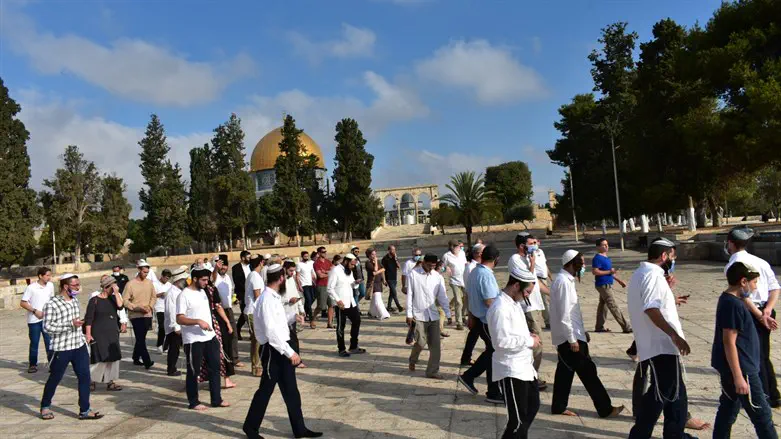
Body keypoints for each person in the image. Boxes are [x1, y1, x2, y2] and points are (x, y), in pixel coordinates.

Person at [243, 264, 322, 439]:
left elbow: (277, 322)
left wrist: (292, 317)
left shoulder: (273, 297)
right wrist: (290, 353)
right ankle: (250, 428)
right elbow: (271, 333)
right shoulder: (266, 300)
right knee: (265, 391)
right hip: (274, 352)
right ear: (280, 279)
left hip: (280, 348)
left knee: (291, 391)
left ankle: (299, 429)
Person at [627, 238, 694, 439]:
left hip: (656, 345)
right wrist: (674, 336)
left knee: (676, 394)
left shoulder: (643, 273)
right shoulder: (652, 276)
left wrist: (670, 296)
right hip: (661, 345)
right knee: (660, 394)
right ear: (664, 256)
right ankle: (639, 435)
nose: (673, 261)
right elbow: (651, 308)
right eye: (672, 256)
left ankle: (676, 434)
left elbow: (652, 302)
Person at [549, 250, 624, 418]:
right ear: (570, 263)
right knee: (588, 372)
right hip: (570, 338)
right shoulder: (563, 282)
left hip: (573, 335)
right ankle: (605, 408)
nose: (583, 267)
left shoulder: (566, 281)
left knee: (565, 372)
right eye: (580, 263)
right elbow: (564, 314)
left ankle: (558, 406)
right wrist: (572, 338)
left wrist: (581, 332)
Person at [712, 262, 778, 439]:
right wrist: (739, 377)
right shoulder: (733, 305)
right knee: (762, 415)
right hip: (743, 369)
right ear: (743, 281)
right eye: (754, 282)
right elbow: (729, 342)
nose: (755, 287)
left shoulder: (732, 300)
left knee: (728, 409)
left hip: (741, 367)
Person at [724, 226, 781, 408]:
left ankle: (762, 395)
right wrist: (767, 310)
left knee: (753, 356)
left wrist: (758, 315)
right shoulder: (761, 262)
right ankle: (773, 394)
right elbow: (775, 288)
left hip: (750, 313)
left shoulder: (733, 265)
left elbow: (741, 293)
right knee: (764, 354)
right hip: (765, 310)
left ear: (730, 243)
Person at [487, 266, 542, 438]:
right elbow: (501, 341)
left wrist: (527, 335)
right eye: (527, 291)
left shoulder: (515, 303)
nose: (528, 295)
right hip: (511, 369)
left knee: (533, 406)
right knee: (517, 421)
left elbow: (513, 331)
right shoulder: (500, 308)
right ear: (516, 285)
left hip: (525, 367)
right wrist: (529, 341)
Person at [39, 273, 103, 420]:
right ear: (65, 286)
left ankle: (85, 409)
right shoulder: (52, 303)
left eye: (78, 285)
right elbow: (47, 327)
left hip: (78, 345)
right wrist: (69, 325)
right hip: (62, 347)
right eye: (75, 285)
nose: (77, 288)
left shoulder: (74, 301)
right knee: (55, 377)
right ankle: (45, 405)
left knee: (85, 377)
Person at [176, 267, 230, 411]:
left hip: (210, 336)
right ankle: (193, 401)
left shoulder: (204, 291)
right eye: (204, 280)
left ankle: (216, 399)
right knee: (194, 370)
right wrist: (198, 321)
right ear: (195, 279)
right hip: (193, 340)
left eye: (207, 279)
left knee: (215, 367)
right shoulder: (184, 295)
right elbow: (180, 318)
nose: (207, 282)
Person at [458, 244, 504, 404]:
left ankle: (489, 388)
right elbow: (490, 300)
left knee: (492, 352)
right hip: (485, 319)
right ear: (496, 259)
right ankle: (475, 379)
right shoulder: (485, 275)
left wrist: (470, 315)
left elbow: (470, 296)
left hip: (478, 318)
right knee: (493, 351)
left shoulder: (475, 271)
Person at [507, 234, 546, 389]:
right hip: (527, 306)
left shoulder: (529, 258)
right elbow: (527, 280)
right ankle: (532, 377)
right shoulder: (515, 259)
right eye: (531, 243)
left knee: (535, 344)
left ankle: (530, 375)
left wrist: (552, 293)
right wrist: (532, 264)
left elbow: (536, 282)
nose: (535, 246)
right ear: (522, 246)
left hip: (536, 305)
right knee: (537, 344)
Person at [407, 254, 451, 379]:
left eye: (433, 265)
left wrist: (448, 314)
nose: (431, 267)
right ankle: (413, 359)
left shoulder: (437, 277)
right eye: (429, 265)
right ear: (424, 262)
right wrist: (409, 314)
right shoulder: (414, 274)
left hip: (433, 315)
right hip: (418, 314)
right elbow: (410, 295)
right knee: (421, 342)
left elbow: (442, 296)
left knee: (435, 345)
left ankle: (432, 371)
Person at [85, 275, 124, 392]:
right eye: (113, 286)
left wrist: (117, 293)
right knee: (98, 357)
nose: (115, 288)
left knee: (112, 357)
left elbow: (121, 306)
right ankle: (91, 380)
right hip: (98, 332)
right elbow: (89, 319)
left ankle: (110, 381)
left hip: (112, 331)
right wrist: (88, 334)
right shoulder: (94, 300)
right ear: (106, 287)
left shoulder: (113, 298)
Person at [202, 260, 236, 390]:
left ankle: (226, 378)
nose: (206, 280)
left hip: (217, 321)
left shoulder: (211, 288)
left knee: (224, 348)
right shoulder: (194, 292)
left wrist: (227, 322)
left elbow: (218, 306)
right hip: (205, 323)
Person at [328, 253, 366, 357]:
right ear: (346, 261)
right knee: (341, 326)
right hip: (341, 304)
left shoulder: (349, 271)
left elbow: (351, 284)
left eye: (354, 265)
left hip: (351, 302)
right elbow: (330, 288)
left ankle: (353, 346)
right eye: (352, 265)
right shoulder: (335, 270)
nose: (353, 267)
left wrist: (356, 282)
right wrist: (338, 300)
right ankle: (341, 349)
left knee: (357, 320)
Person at [592, 238, 632, 333]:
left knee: (603, 306)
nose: (606, 246)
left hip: (607, 284)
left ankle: (599, 327)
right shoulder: (597, 258)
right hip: (603, 285)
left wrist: (619, 281)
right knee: (613, 305)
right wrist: (609, 271)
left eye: (607, 244)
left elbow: (610, 273)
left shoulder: (606, 258)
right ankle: (626, 327)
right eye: (604, 245)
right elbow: (595, 271)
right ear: (598, 247)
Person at [123, 260, 157, 370]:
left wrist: (150, 307)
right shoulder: (130, 284)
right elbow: (125, 300)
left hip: (147, 314)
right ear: (139, 270)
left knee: (141, 337)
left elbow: (154, 297)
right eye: (144, 272)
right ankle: (147, 361)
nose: (146, 274)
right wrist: (136, 308)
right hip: (135, 315)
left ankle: (135, 357)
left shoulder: (149, 283)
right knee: (141, 339)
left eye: (147, 272)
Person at [20, 267, 55, 373]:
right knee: (34, 342)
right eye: (47, 275)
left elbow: (52, 300)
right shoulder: (31, 288)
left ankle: (52, 364)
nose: (49, 277)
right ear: (40, 276)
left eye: (50, 275)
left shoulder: (50, 286)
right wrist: (35, 311)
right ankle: (33, 364)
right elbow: (23, 302)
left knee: (49, 342)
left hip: (47, 319)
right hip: (34, 320)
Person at [460, 243, 484, 366]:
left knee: (474, 333)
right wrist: (470, 313)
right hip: (476, 306)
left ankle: (466, 357)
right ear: (478, 253)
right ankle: (466, 357)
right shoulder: (470, 268)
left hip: (479, 306)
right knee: (476, 333)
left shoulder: (480, 267)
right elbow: (468, 290)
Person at [214, 256, 240, 367]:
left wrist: (235, 300)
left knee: (233, 334)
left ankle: (234, 358)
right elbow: (212, 278)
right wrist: (215, 269)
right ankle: (224, 360)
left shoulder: (228, 277)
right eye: (221, 265)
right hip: (218, 310)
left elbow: (230, 292)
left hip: (228, 309)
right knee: (222, 336)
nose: (223, 267)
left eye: (225, 265)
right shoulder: (215, 277)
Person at [164, 266, 189, 377]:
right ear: (179, 280)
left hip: (180, 325)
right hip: (174, 327)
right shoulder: (171, 293)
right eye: (184, 280)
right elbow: (171, 311)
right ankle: (171, 369)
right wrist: (176, 326)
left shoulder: (179, 291)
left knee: (177, 348)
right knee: (174, 349)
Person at [283, 261, 307, 367]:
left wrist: (301, 309)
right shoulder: (279, 281)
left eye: (293, 270)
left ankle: (297, 360)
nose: (292, 273)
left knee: (294, 338)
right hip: (283, 314)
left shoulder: (291, 279)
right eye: (290, 270)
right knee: (287, 339)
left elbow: (296, 293)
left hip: (293, 313)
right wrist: (288, 300)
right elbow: (276, 298)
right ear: (284, 269)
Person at [245, 255, 265, 377]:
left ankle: (257, 365)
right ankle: (256, 366)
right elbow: (257, 296)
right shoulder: (255, 277)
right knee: (257, 340)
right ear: (261, 263)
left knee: (256, 340)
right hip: (253, 311)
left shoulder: (252, 275)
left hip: (253, 311)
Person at [442, 240, 468, 330]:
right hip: (454, 281)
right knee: (458, 301)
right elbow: (442, 267)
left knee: (466, 299)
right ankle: (459, 322)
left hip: (464, 279)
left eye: (459, 246)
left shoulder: (462, 253)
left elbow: (465, 263)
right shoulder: (446, 256)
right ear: (451, 246)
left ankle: (464, 316)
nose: (458, 247)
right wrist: (446, 268)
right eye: (456, 246)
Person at [366, 248, 390, 320]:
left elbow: (383, 270)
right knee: (377, 299)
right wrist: (376, 262)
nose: (374, 256)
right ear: (369, 255)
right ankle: (384, 314)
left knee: (375, 299)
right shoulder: (368, 263)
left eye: (375, 254)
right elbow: (375, 269)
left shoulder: (378, 261)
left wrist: (384, 280)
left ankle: (372, 312)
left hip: (378, 282)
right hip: (372, 283)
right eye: (373, 254)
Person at [233, 250, 252, 340]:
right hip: (242, 293)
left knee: (250, 312)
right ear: (243, 258)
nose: (250, 258)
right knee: (245, 312)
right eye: (248, 257)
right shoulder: (236, 268)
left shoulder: (251, 266)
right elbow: (237, 282)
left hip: (251, 292)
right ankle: (238, 328)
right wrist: (247, 289)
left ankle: (250, 331)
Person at [533, 238, 551, 329]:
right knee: (544, 300)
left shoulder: (541, 251)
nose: (535, 244)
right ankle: (548, 321)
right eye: (533, 243)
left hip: (544, 278)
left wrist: (550, 276)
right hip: (538, 279)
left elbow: (545, 265)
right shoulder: (531, 254)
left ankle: (548, 320)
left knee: (547, 300)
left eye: (536, 242)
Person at [314, 247, 334, 328]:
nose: (325, 253)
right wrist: (328, 273)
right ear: (318, 253)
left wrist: (326, 272)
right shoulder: (316, 263)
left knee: (331, 305)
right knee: (321, 306)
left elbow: (333, 270)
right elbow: (320, 275)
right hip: (321, 286)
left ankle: (329, 323)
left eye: (325, 251)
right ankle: (313, 319)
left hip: (329, 285)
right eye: (323, 252)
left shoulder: (328, 261)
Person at [296, 250, 317, 329]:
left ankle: (304, 313)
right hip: (304, 285)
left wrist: (315, 281)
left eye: (307, 256)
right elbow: (297, 276)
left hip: (311, 284)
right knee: (308, 299)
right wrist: (299, 285)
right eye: (305, 256)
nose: (306, 258)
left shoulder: (310, 263)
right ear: (302, 257)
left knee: (311, 299)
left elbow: (312, 273)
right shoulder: (299, 264)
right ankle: (311, 319)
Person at [154, 269, 172, 354]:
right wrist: (160, 294)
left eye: (168, 278)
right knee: (161, 327)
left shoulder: (169, 285)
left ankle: (166, 345)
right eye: (165, 278)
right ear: (162, 276)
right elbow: (152, 295)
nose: (166, 280)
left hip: (168, 308)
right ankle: (159, 345)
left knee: (168, 327)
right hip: (159, 308)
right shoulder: (155, 284)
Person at [382, 245, 403, 313]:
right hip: (389, 278)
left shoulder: (395, 258)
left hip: (394, 278)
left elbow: (399, 267)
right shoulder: (385, 258)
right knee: (394, 292)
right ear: (389, 250)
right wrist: (384, 280)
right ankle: (399, 306)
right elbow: (383, 270)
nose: (393, 251)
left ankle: (388, 307)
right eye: (392, 250)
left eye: (394, 250)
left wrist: (396, 259)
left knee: (391, 293)